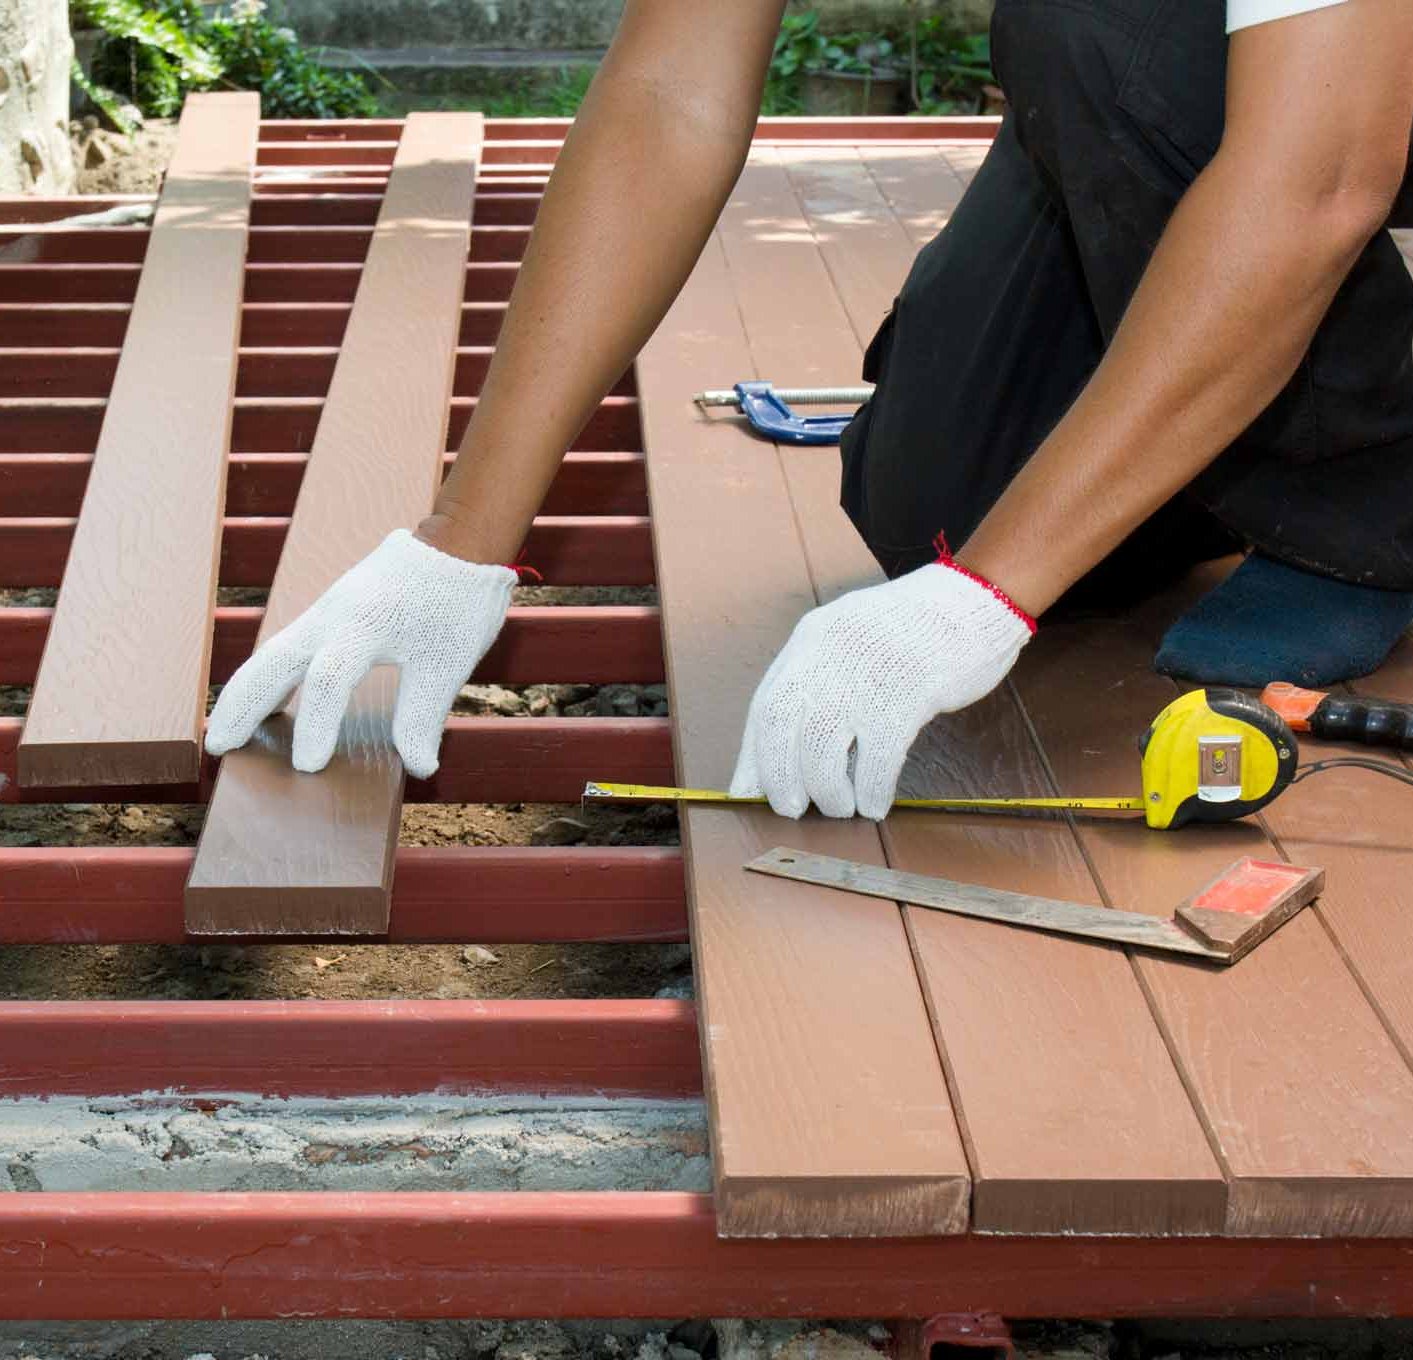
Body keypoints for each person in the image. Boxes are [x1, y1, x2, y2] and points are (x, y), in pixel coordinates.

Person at [206, 0, 1413, 822]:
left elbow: (1318, 177)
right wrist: (459, 546)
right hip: (1194, 83)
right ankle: (1222, 442)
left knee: (1098, 30)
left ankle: (1370, 494)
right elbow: (671, 95)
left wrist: (990, 596)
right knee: (938, 504)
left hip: (1330, 89)